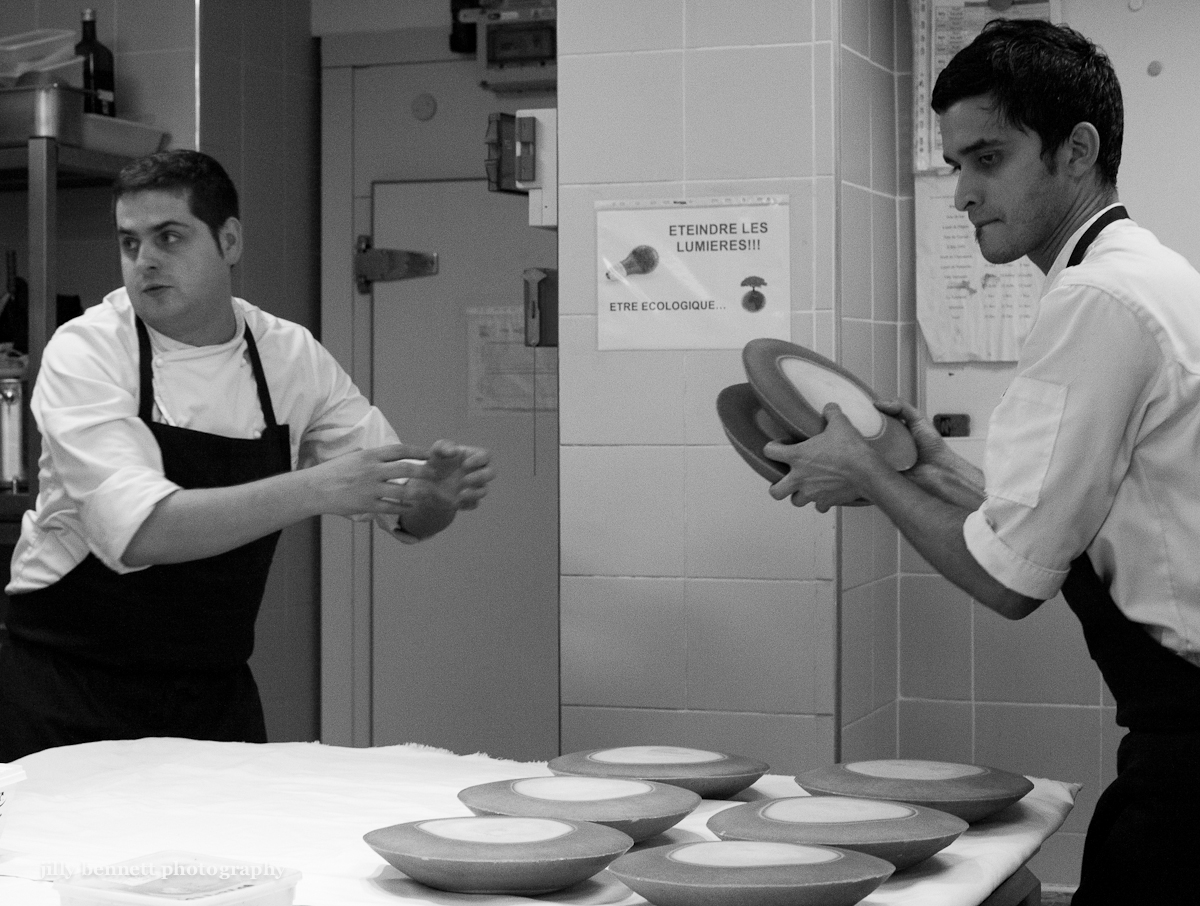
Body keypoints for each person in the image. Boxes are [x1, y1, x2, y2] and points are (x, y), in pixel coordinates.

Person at [764, 19, 1200, 905]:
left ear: (1077, 150)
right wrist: (928, 466)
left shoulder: (1096, 299)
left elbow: (1010, 581)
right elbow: (1058, 522)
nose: (962, 193)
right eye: (956, 163)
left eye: (989, 159)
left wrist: (868, 475)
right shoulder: (1147, 275)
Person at [0, 150, 494, 762]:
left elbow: (400, 505)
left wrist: (433, 501)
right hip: (67, 693)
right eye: (129, 243)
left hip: (210, 695)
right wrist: (317, 487)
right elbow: (139, 532)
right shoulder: (87, 351)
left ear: (229, 241)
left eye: (169, 237)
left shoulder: (289, 355)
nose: (145, 260)